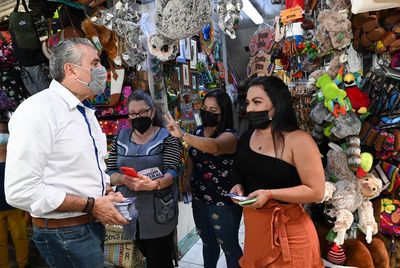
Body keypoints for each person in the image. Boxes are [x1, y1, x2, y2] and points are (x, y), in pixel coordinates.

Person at [4, 38, 128, 268]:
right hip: (65, 234)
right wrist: (92, 204)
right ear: (70, 69)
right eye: (95, 63)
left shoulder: (85, 112)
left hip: (90, 226)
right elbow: (20, 190)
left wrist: (106, 192)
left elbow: (78, 170)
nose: (102, 70)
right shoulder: (38, 110)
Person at [229, 76, 325, 267]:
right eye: (248, 103)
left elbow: (317, 191)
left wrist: (271, 194)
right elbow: (238, 170)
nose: (249, 109)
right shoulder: (247, 137)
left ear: (277, 105)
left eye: (257, 102)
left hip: (290, 234)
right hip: (256, 231)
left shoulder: (299, 141)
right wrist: (237, 185)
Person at [165, 89, 243, 268]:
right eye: (205, 108)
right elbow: (193, 157)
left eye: (213, 110)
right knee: (208, 243)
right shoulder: (199, 130)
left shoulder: (230, 136)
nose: (207, 112)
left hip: (223, 202)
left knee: (229, 246)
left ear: (223, 113)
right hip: (199, 198)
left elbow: (214, 147)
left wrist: (183, 135)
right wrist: (187, 178)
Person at [106, 90, 182, 268]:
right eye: (133, 113)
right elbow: (110, 171)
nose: (137, 117)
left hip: (159, 211)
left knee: (160, 259)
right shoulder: (121, 136)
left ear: (152, 112)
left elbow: (172, 171)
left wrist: (154, 184)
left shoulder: (167, 135)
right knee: (143, 253)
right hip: (130, 211)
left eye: (142, 112)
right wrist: (123, 179)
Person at [0, 114, 29, 268]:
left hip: (15, 206)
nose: (2, 135)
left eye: (4, 132)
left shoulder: (16, 157)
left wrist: (27, 209)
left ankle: (23, 264)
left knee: (20, 237)